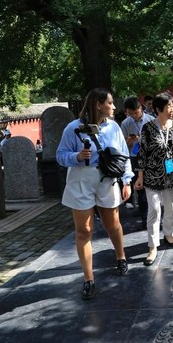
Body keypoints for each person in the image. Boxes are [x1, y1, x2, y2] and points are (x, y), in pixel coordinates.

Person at [56, 88, 134, 300]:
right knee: (84, 230)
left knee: (112, 224)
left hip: (107, 179)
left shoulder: (114, 128)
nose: (114, 107)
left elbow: (124, 155)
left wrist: (127, 180)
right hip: (81, 179)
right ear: (98, 104)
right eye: (110, 103)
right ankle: (88, 279)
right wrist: (77, 156)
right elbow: (60, 155)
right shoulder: (73, 128)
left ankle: (121, 257)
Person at [135, 93, 173, 266]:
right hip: (152, 176)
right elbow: (142, 152)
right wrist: (140, 175)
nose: (172, 109)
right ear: (159, 109)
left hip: (172, 175)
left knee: (171, 207)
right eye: (168, 107)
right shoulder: (148, 128)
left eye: (172, 106)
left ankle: (168, 234)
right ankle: (152, 246)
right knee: (155, 210)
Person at [120, 96, 153, 228]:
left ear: (141, 108)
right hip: (134, 157)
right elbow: (122, 145)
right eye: (130, 113)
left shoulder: (151, 120)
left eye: (136, 112)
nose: (133, 115)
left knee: (151, 187)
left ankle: (153, 216)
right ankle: (144, 217)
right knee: (139, 188)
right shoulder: (126, 123)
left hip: (150, 157)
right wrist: (129, 141)